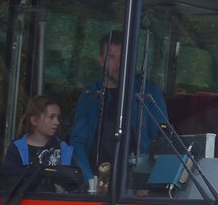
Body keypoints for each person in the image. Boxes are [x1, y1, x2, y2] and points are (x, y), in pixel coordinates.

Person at [69, 29, 167, 181]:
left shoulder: (148, 92)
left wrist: (148, 182)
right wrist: (88, 180)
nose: (118, 64)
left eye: (124, 58)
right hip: (95, 180)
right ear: (101, 60)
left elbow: (161, 141)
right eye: (112, 57)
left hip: (136, 183)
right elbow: (78, 142)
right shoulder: (90, 94)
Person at [0, 95, 77, 192]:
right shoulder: (17, 149)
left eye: (58, 117)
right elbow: (10, 182)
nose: (57, 122)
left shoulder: (65, 149)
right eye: (51, 117)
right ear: (34, 120)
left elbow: (73, 183)